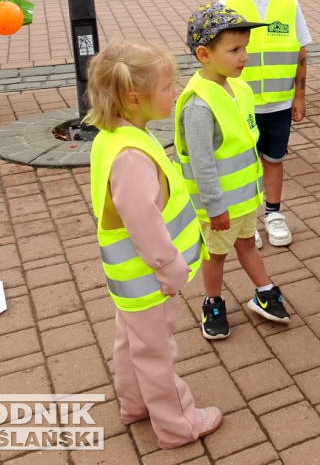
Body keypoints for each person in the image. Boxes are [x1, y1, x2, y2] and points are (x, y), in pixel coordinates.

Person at [82, 41, 223, 449]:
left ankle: (135, 404)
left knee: (131, 342)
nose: (174, 92)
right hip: (151, 278)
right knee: (157, 351)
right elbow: (142, 220)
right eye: (166, 87)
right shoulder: (131, 154)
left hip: (129, 278)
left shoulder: (113, 138)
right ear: (133, 97)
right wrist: (170, 266)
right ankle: (178, 424)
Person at [175, 2, 293, 340]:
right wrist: (215, 207)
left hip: (242, 199)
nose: (244, 56)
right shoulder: (198, 105)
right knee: (216, 255)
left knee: (246, 244)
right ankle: (212, 303)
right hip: (219, 207)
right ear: (204, 54)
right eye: (235, 50)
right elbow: (202, 163)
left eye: (245, 48)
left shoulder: (238, 87)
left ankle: (264, 291)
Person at [218, 0, 310, 247]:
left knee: (273, 159)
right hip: (239, 106)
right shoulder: (226, 3)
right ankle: (247, 221)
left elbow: (300, 51)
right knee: (242, 164)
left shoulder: (289, 2)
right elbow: (217, 56)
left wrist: (299, 95)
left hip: (279, 104)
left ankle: (273, 213)